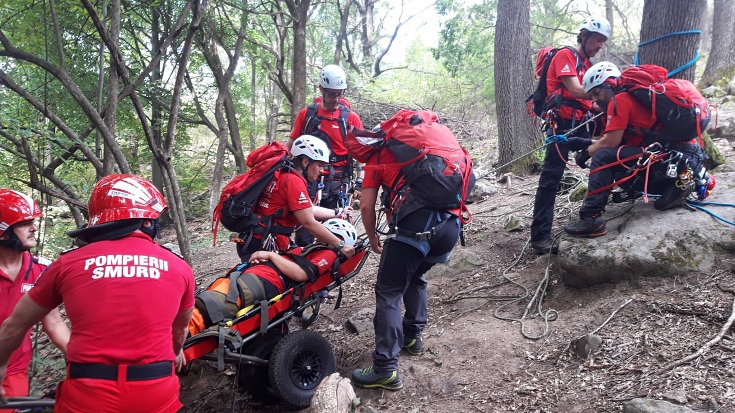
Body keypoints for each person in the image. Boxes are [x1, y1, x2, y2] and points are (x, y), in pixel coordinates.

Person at [0, 174, 195, 413]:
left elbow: (14, 326)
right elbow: (180, 329)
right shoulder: (179, 267)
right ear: (145, 222)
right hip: (155, 391)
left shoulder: (66, 264)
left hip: (87, 394)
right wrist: (175, 352)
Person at [350, 137, 461, 391]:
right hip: (450, 227)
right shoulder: (430, 149)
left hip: (416, 227)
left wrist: (372, 237)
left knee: (389, 292)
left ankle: (384, 369)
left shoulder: (378, 156)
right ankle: (413, 337)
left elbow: (366, 206)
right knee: (415, 274)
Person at [564, 62, 706, 237]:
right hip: (684, 157)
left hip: (670, 156)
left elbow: (610, 143)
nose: (595, 100)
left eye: (596, 92)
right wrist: (587, 143)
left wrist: (585, 153)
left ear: (609, 85)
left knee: (602, 157)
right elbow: (622, 140)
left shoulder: (620, 100)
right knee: (619, 170)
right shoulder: (630, 98)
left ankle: (590, 218)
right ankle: (674, 186)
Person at [189, 218, 358, 337]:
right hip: (256, 275)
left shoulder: (328, 253)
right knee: (206, 301)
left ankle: (176, 338)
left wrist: (270, 255)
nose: (318, 233)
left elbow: (302, 274)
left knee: (210, 306)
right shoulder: (313, 249)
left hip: (265, 281)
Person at [529, 16, 612, 254]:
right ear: (584, 36)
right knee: (551, 179)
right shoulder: (566, 55)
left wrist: (612, 105)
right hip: (561, 125)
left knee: (608, 153)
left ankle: (591, 215)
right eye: (597, 40)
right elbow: (576, 90)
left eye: (603, 42)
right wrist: (605, 93)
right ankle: (540, 237)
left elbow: (589, 102)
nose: (600, 46)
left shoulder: (586, 65)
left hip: (582, 123)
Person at [236, 135, 356, 262]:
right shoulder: (293, 181)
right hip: (264, 243)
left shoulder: (284, 173)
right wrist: (340, 245)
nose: (322, 170)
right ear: (305, 162)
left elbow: (308, 209)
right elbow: (308, 222)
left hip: (255, 239)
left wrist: (338, 212)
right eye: (320, 165)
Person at [0, 189, 70, 406]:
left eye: (33, 221)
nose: (34, 228)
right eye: (24, 223)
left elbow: (54, 322)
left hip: (13, 371)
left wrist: (83, 359)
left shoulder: (40, 269)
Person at [287, 64, 364, 246]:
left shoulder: (350, 118)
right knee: (306, 230)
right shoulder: (307, 115)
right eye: (331, 94)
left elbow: (361, 154)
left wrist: (361, 180)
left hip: (339, 181)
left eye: (340, 94)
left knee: (337, 229)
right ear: (321, 89)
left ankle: (332, 268)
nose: (336, 99)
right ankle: (304, 265)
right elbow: (291, 147)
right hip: (310, 179)